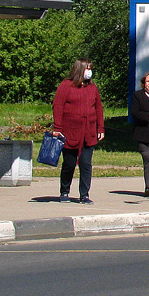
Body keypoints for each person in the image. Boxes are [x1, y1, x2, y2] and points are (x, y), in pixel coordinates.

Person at [52, 58, 104, 204]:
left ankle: (84, 194)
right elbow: (58, 106)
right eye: (87, 68)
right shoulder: (66, 85)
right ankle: (64, 191)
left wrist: (100, 127)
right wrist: (57, 128)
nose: (90, 72)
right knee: (69, 163)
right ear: (79, 69)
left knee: (86, 163)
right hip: (70, 132)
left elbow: (98, 108)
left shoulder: (92, 87)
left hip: (89, 132)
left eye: (90, 68)